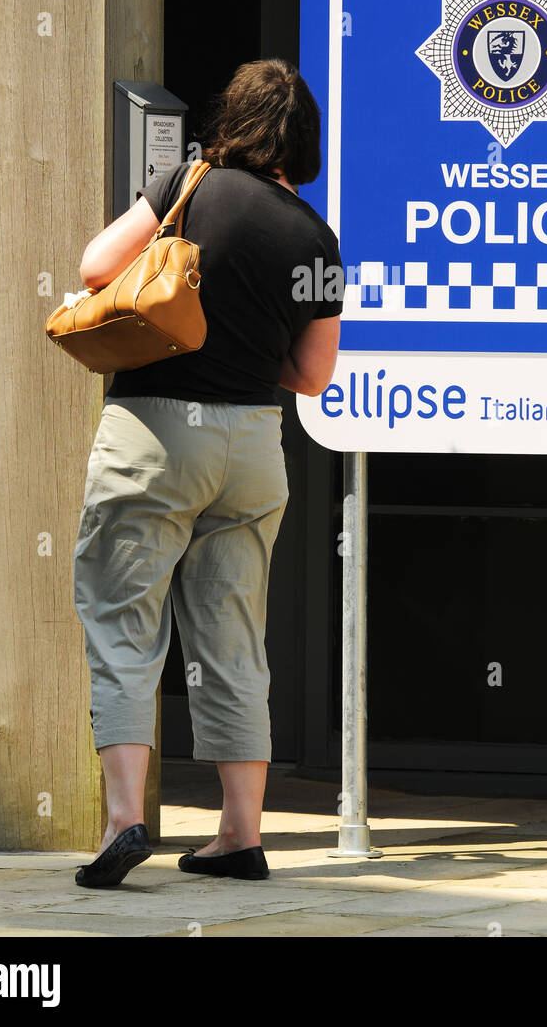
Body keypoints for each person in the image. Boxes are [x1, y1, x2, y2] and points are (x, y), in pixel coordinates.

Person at [71, 58, 342, 887]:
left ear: (234, 119)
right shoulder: (314, 235)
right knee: (231, 637)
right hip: (254, 446)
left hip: (155, 431)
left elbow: (93, 268)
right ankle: (238, 833)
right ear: (303, 139)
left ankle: (125, 819)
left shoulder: (189, 183)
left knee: (123, 618)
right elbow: (313, 377)